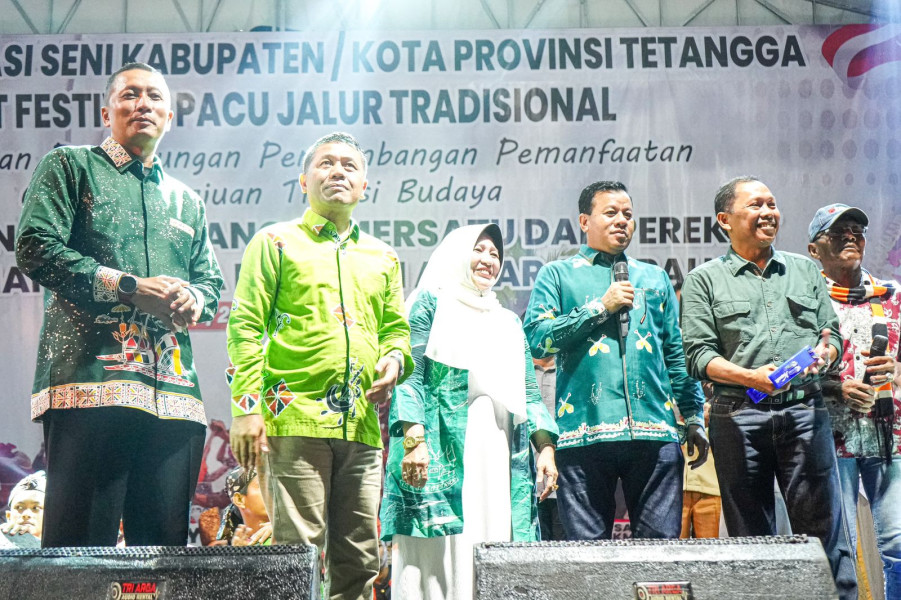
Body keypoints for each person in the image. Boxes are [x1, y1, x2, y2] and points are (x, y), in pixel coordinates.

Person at [15, 62, 223, 547]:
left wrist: (193, 299)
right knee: (79, 559)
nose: (143, 105)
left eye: (154, 97)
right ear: (106, 110)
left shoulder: (187, 201)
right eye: (130, 95)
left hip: (174, 398)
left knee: (163, 560)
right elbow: (36, 247)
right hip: (92, 386)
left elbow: (210, 282)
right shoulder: (70, 166)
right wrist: (130, 286)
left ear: (170, 116)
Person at [227, 131, 412, 600]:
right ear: (303, 180)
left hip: (363, 425)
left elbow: (395, 329)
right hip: (294, 417)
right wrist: (247, 409)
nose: (337, 172)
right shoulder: (274, 242)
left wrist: (394, 358)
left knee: (360, 558)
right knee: (298, 554)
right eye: (326, 164)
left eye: (349, 166)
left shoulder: (384, 257)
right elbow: (246, 325)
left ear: (365, 186)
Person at [680, 176, 856, 599]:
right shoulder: (704, 280)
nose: (768, 212)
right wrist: (752, 378)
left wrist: (826, 354)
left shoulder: (803, 269)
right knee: (751, 540)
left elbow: (829, 334)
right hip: (737, 415)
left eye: (772, 204)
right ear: (725, 219)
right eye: (756, 204)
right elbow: (698, 357)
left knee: (825, 534)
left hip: (804, 412)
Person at [380, 224, 558, 600]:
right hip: (442, 447)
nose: (488, 260)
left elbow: (528, 390)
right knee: (437, 557)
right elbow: (410, 376)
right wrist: (413, 439)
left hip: (499, 452)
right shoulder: (430, 302)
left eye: (496, 254)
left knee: (492, 536)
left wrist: (545, 448)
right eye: (479, 250)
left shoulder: (507, 321)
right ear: (457, 253)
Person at [524, 180, 707, 541]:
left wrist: (694, 416)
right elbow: (537, 339)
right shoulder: (558, 275)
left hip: (655, 432)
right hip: (583, 433)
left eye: (628, 214)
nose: (622, 220)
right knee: (587, 555)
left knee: (660, 550)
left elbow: (675, 353)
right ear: (583, 221)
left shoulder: (653, 279)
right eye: (610, 213)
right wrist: (599, 308)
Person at [807, 203, 901, 598]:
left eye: (856, 230)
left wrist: (896, 371)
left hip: (889, 438)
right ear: (814, 249)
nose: (850, 236)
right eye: (837, 231)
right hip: (831, 439)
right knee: (840, 548)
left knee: (899, 544)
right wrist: (835, 388)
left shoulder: (893, 295)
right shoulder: (805, 300)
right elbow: (785, 369)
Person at [216, 465, 272, 546]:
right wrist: (241, 556)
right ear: (239, 500)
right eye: (263, 486)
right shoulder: (237, 549)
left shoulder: (289, 534)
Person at [1, 471, 46, 548]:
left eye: (35, 508)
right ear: (8, 516)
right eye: (19, 507)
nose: (26, 514)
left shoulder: (64, 548)